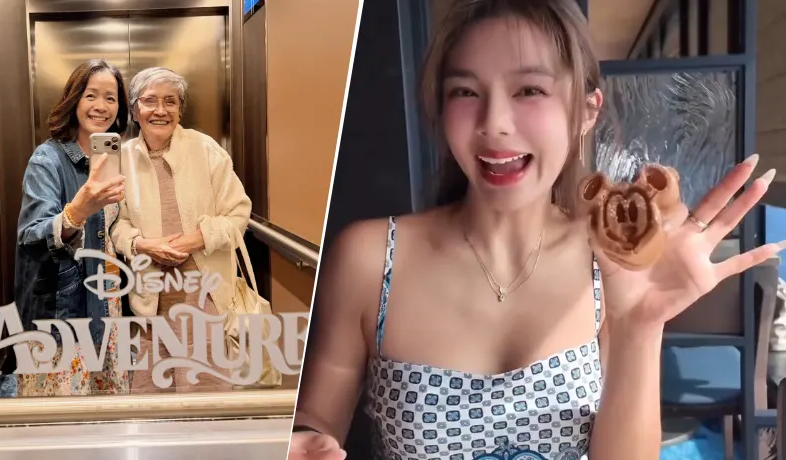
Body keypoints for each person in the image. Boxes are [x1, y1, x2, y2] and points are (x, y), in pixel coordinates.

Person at [289, 1, 784, 459]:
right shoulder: (370, 258)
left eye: (529, 90)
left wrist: (640, 326)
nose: (494, 123)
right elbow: (315, 423)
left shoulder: (608, 266)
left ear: (587, 110)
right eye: (465, 91)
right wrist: (299, 442)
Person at [110, 67, 251, 394]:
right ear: (134, 110)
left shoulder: (206, 149)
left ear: (180, 109)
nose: (161, 110)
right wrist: (144, 245)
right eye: (150, 101)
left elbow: (238, 213)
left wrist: (191, 241)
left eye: (170, 101)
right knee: (152, 393)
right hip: (150, 296)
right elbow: (117, 224)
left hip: (205, 294)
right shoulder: (122, 159)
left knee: (205, 390)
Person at [14, 59, 131, 396]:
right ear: (74, 99)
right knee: (61, 425)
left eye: (111, 98)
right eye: (91, 95)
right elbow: (31, 237)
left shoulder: (111, 155)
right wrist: (76, 212)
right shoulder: (47, 159)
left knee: (106, 422)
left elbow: (114, 227)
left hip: (107, 306)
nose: (101, 106)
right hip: (63, 312)